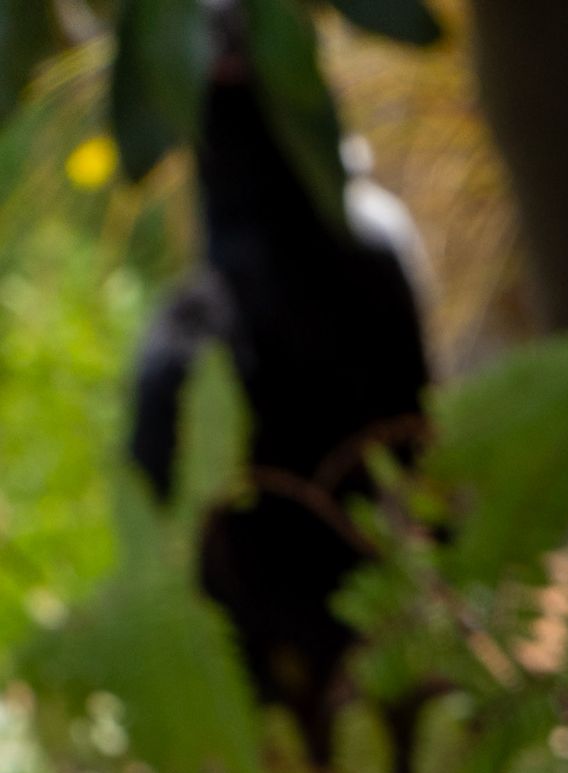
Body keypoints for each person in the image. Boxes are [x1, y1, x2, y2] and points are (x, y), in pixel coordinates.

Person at [128, 4, 432, 723]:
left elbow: (416, 431)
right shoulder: (198, 334)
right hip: (300, 619)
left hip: (346, 607)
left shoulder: (370, 256)